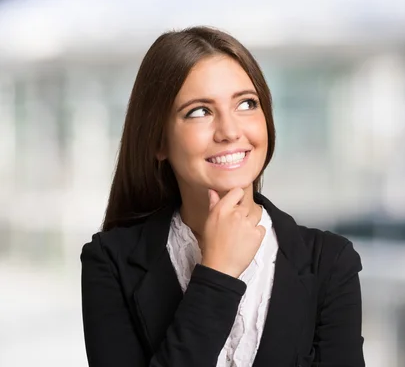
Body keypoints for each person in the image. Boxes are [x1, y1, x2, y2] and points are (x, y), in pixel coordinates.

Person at [80, 26, 365, 367]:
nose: (230, 132)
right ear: (158, 142)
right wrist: (217, 275)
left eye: (246, 103)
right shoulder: (110, 263)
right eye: (200, 111)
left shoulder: (330, 264)